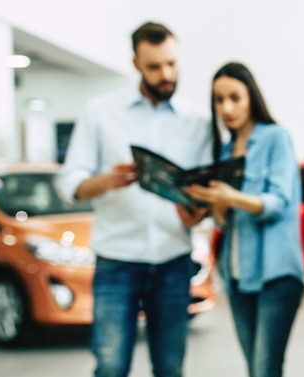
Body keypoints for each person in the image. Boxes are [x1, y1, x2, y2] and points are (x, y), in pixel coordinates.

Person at [55, 21, 211, 377]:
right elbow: (70, 183)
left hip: (174, 260)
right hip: (117, 260)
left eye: (171, 64)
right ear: (136, 64)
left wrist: (196, 214)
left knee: (170, 367)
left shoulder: (197, 121)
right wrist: (106, 181)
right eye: (154, 67)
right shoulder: (100, 111)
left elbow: (202, 193)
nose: (166, 74)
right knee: (110, 366)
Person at [184, 62, 304, 377]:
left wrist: (229, 197)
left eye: (234, 97)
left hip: (276, 275)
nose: (226, 107)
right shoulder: (224, 151)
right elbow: (227, 222)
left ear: (251, 96)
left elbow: (278, 203)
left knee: (266, 369)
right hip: (237, 276)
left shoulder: (276, 138)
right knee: (254, 370)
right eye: (218, 99)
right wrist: (214, 205)